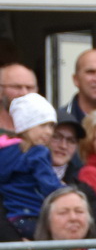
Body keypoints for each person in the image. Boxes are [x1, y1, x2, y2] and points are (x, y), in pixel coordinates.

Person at [0, 93, 61, 237]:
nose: (49, 132)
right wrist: (67, 191)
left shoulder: (5, 152)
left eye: (51, 126)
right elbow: (49, 186)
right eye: (43, 125)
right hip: (35, 217)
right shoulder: (38, 152)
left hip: (14, 219)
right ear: (26, 126)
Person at [48, 116, 84, 181]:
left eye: (71, 141)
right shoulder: (24, 174)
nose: (63, 146)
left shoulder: (80, 185)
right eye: (56, 137)